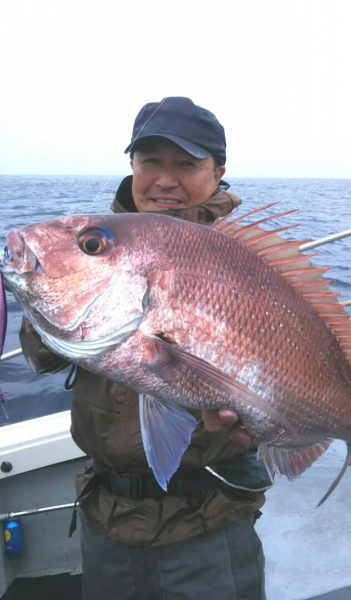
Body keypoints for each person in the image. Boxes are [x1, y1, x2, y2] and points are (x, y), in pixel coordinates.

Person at [19, 97, 271, 599]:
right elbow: (41, 356)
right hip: (104, 515)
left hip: (206, 521)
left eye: (186, 163)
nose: (164, 179)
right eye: (150, 160)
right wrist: (39, 291)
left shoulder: (246, 256)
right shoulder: (99, 244)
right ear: (131, 165)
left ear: (218, 171)